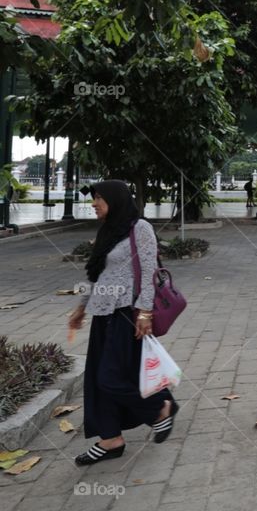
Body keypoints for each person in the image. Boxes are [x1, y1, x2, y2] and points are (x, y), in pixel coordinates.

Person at [66, 180, 178, 465]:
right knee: (97, 378)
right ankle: (110, 439)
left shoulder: (139, 228)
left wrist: (144, 312)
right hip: (103, 314)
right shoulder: (108, 230)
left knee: (111, 378)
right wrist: (81, 309)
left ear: (115, 200)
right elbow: (99, 276)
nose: (94, 203)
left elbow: (150, 269)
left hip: (128, 313)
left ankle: (160, 407)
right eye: (94, 199)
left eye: (99, 198)